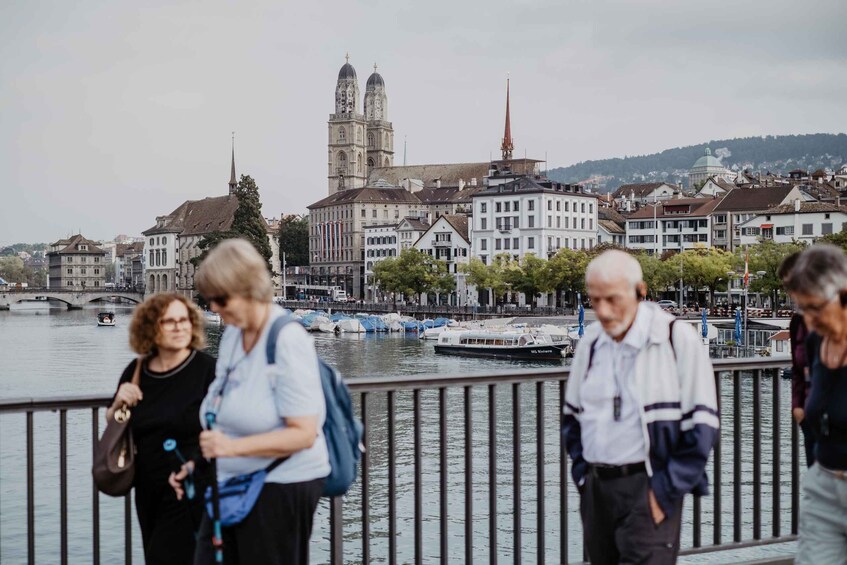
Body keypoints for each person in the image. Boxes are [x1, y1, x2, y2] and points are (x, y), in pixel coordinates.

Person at [172, 238, 329, 564]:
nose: (213, 307)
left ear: (248, 289)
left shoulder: (287, 339)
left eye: (220, 298)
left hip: (282, 486)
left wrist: (230, 450)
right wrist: (198, 464)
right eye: (209, 298)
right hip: (232, 483)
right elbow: (227, 412)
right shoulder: (232, 334)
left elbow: (303, 433)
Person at [562, 250, 719, 564]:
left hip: (647, 486)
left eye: (613, 299)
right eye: (594, 300)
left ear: (640, 292)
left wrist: (662, 493)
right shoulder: (591, 343)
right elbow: (572, 418)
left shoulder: (676, 339)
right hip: (597, 489)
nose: (603, 311)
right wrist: (582, 478)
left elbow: (703, 426)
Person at [107, 293, 215, 564]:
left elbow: (224, 427)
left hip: (190, 485)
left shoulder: (207, 370)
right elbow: (115, 421)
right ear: (151, 327)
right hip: (148, 489)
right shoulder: (137, 370)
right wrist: (120, 401)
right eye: (169, 321)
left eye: (184, 320)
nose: (179, 327)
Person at [783, 244, 847, 563]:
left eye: (815, 307)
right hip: (823, 483)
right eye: (801, 308)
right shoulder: (815, 339)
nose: (808, 319)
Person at [778, 252, 815, 467]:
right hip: (811, 416)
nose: (792, 292)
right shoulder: (798, 321)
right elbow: (797, 368)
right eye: (787, 286)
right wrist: (797, 406)